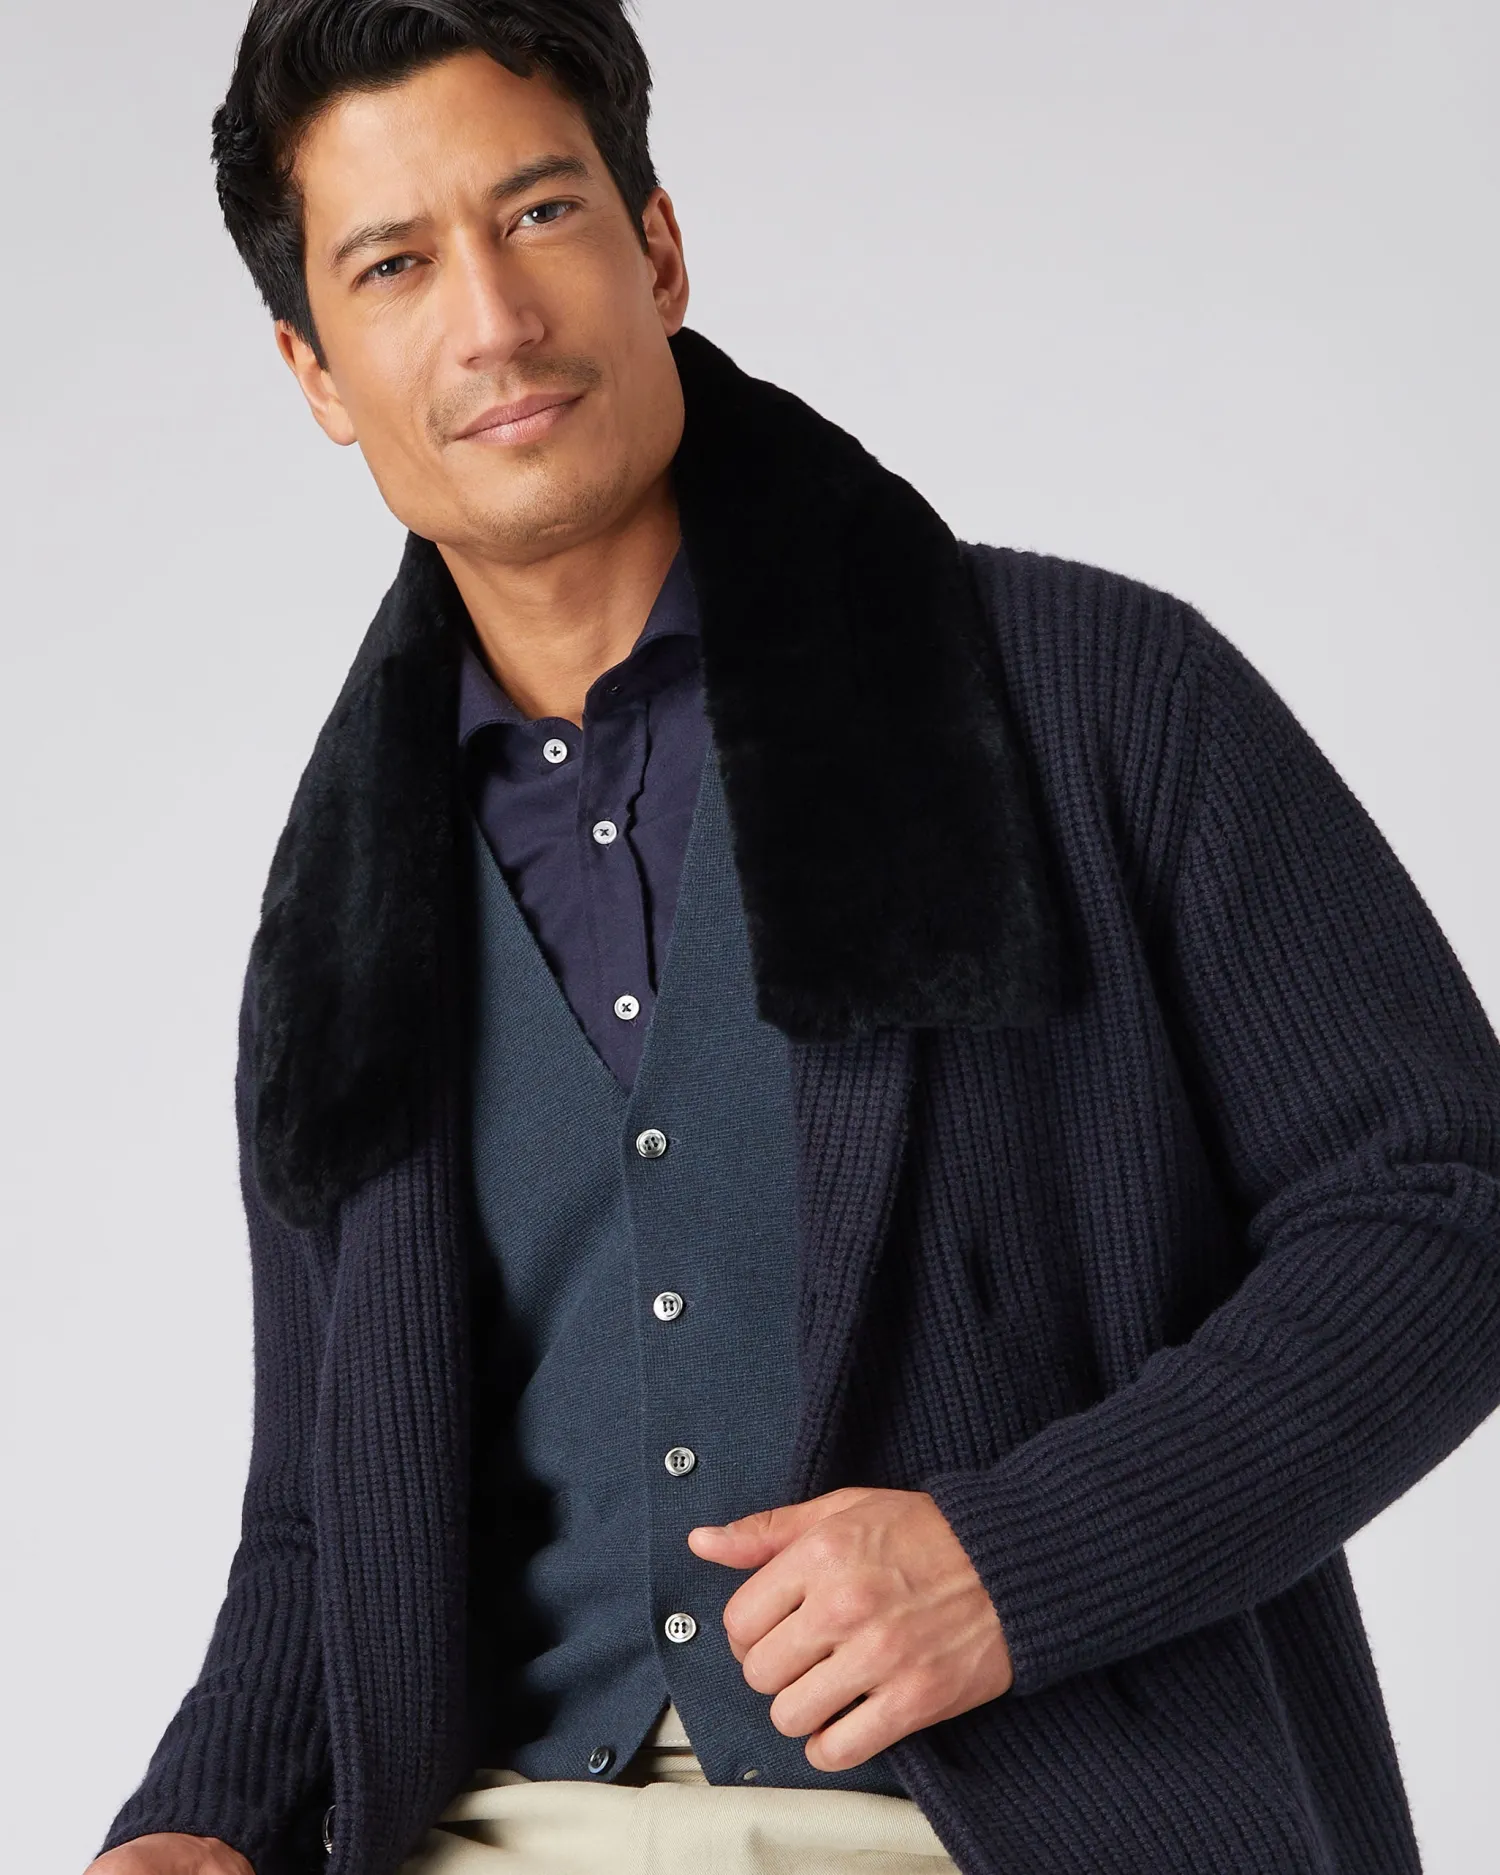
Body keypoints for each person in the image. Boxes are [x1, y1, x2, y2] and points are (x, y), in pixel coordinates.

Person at [88, 3, 1500, 1873]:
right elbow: (314, 1526)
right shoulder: (340, 914)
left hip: (993, 1832)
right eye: (395, 265)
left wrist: (1019, 1560)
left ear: (657, 248)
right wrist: (190, 1820)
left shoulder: (1094, 699)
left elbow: (1446, 1205)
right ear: (316, 369)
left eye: (540, 213)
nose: (493, 321)